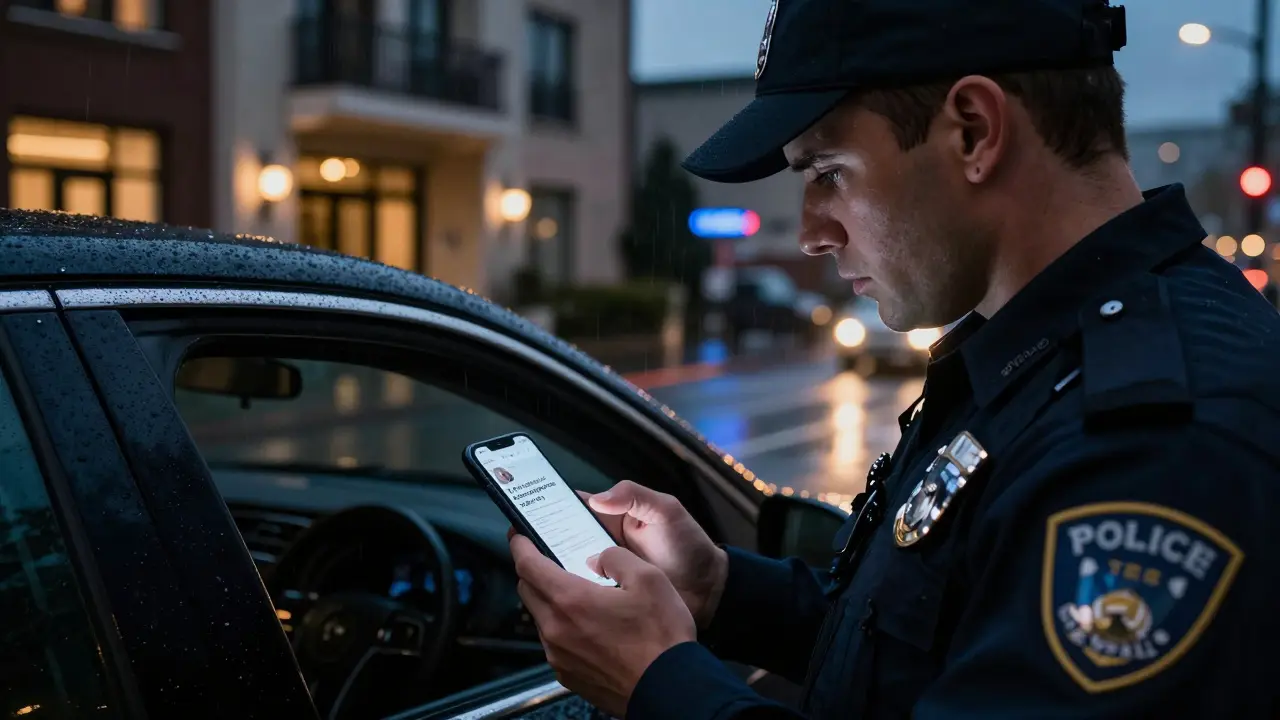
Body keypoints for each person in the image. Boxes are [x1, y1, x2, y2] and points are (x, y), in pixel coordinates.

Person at [507, 0, 1280, 716]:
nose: (812, 231)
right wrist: (721, 589)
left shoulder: (1155, 444)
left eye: (828, 173)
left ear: (974, 131)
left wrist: (658, 684)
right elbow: (930, 644)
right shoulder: (1036, 355)